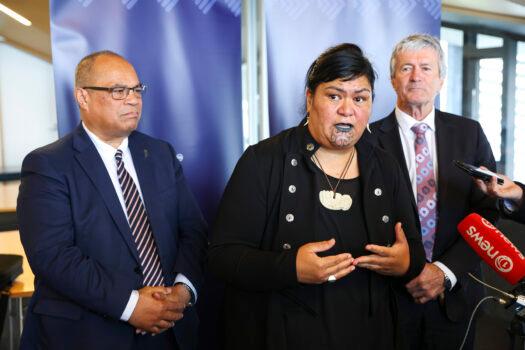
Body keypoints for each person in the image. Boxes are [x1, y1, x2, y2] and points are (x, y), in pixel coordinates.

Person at [208, 43, 426, 350]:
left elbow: (415, 252)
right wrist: (290, 267)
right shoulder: (264, 160)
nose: (347, 110)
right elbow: (221, 256)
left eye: (360, 98)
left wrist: (405, 263)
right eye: (334, 95)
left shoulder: (385, 165)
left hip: (369, 334)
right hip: (283, 333)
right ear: (310, 98)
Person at [16, 51, 207, 350]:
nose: (133, 100)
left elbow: (193, 230)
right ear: (83, 97)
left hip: (171, 329)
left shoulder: (160, 154)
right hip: (90, 333)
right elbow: (52, 255)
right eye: (119, 91)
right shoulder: (48, 164)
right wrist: (131, 305)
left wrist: (182, 291)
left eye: (137, 89)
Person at [370, 34, 500, 350]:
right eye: (406, 68)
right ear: (392, 79)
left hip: (454, 297)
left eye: (426, 68)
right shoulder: (368, 140)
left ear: (441, 79)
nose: (416, 76)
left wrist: (444, 272)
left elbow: (487, 213)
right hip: (388, 301)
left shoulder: (470, 133)